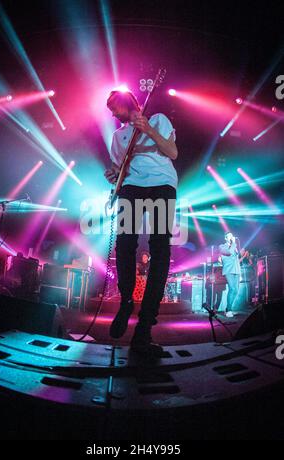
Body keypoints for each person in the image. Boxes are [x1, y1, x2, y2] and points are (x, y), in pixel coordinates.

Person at [104, 89, 178, 357]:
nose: (111, 112)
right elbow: (120, 170)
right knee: (124, 244)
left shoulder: (157, 119)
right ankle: (126, 300)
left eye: (113, 106)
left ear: (126, 102)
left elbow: (172, 151)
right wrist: (113, 175)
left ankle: (145, 327)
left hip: (162, 185)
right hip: (132, 187)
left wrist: (148, 129)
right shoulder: (117, 136)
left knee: (160, 250)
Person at [219, 232, 241, 318]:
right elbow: (229, 252)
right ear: (225, 238)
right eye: (230, 236)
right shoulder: (222, 246)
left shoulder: (234, 246)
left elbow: (236, 257)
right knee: (232, 288)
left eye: (232, 235)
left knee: (236, 290)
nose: (232, 237)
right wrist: (234, 243)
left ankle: (229, 308)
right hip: (229, 270)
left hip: (236, 270)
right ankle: (228, 310)